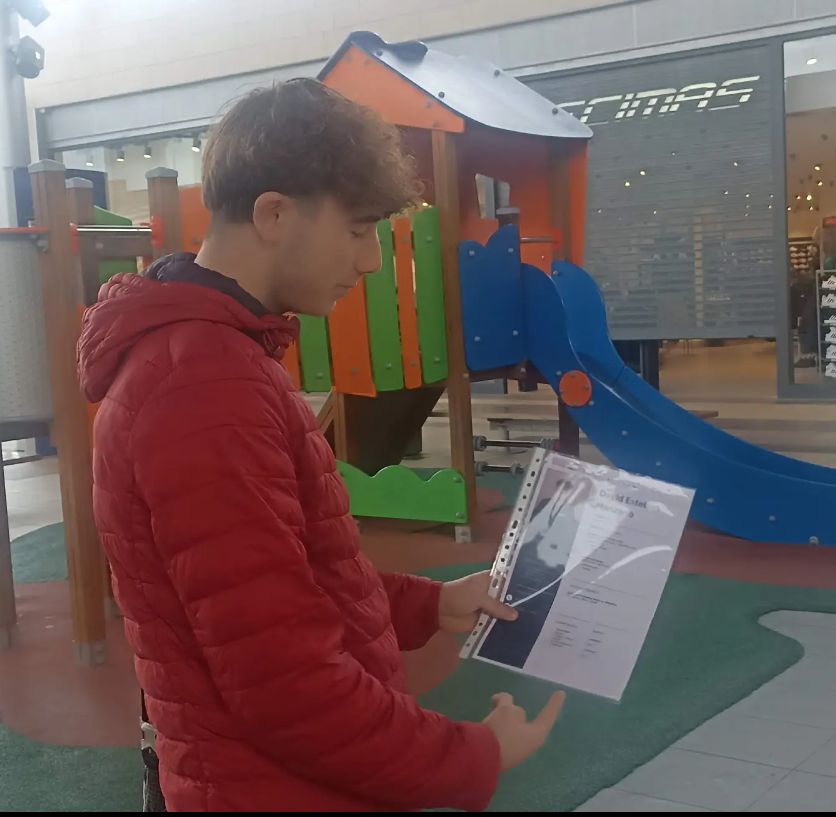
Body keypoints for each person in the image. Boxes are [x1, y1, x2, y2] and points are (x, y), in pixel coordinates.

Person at [77, 79, 564, 813]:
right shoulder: (200, 384)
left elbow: (285, 583)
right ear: (274, 213)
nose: (371, 261)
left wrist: (431, 604)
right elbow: (286, 686)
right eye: (359, 229)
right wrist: (474, 753)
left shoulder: (217, 358)